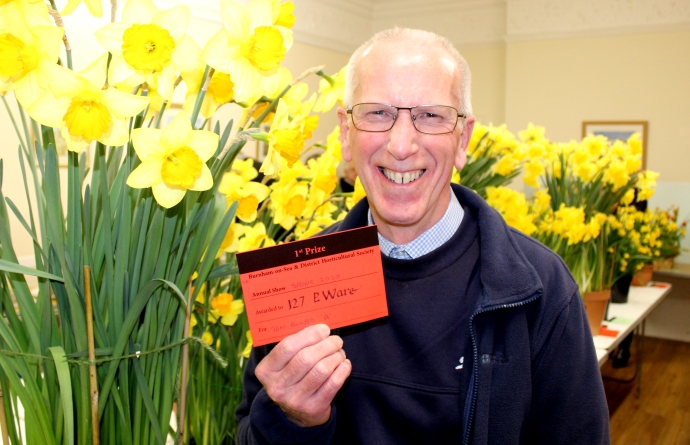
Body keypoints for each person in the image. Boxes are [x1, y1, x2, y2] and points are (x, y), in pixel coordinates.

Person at [236, 27, 610, 444]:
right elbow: (247, 434)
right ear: (345, 133)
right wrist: (292, 422)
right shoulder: (298, 278)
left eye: (430, 116)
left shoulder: (540, 289)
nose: (401, 145)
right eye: (377, 113)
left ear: (463, 138)